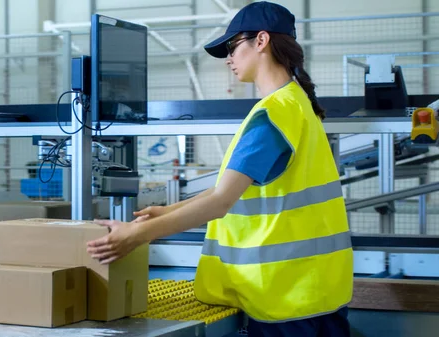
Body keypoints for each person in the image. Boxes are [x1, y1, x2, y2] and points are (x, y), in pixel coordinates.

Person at [86, 2, 353, 336]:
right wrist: (169, 210)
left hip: (285, 301)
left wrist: (138, 235)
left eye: (232, 46)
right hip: (320, 291)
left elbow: (221, 201)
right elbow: (228, 192)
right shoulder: (298, 104)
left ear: (261, 41)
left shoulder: (271, 116)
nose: (229, 58)